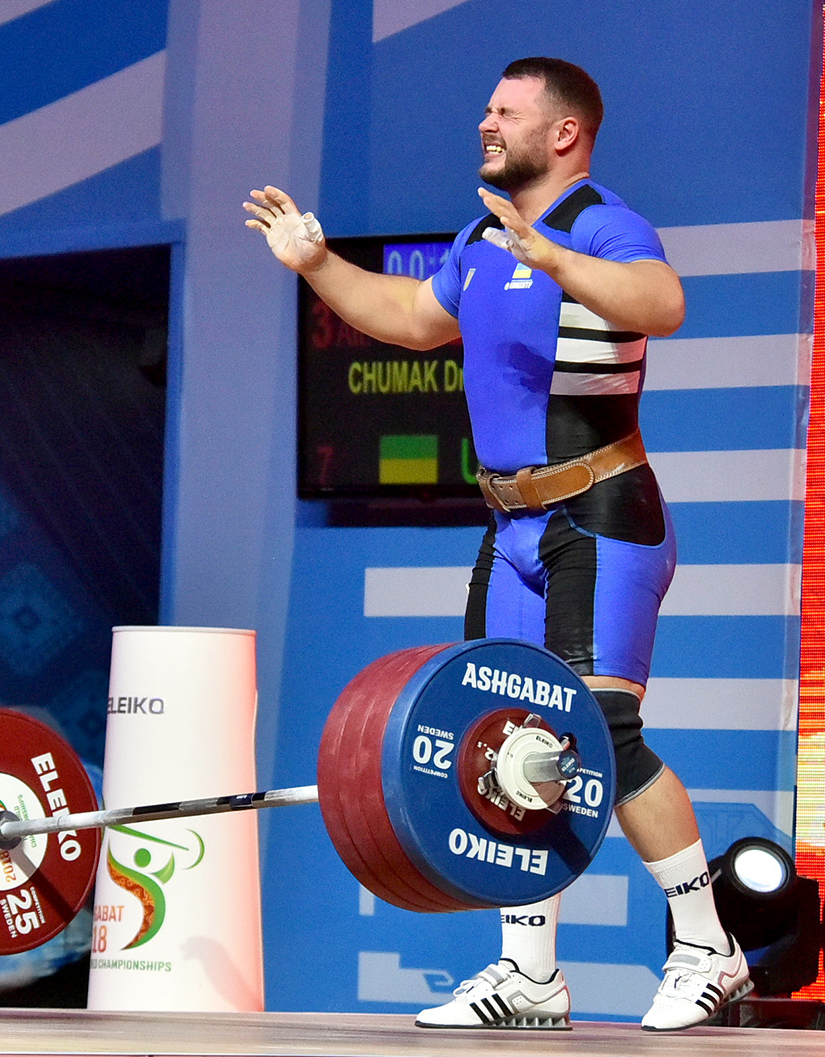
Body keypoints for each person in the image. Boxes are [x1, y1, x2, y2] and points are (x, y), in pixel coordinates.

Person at [244, 57, 750, 1032]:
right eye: (484, 106)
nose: (484, 121)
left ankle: (707, 947)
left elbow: (662, 303)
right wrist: (315, 263)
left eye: (504, 110)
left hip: (599, 517)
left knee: (600, 730)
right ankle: (530, 977)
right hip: (510, 525)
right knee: (509, 737)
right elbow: (409, 317)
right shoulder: (480, 234)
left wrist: (557, 260)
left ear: (562, 133)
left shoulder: (601, 221)